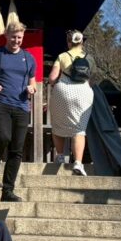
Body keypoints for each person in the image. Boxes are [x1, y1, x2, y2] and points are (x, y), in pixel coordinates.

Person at [0, 21, 37, 202]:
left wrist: (32, 88)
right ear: (6, 36)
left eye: (19, 38)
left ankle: (8, 191)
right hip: (1, 103)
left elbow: (33, 81)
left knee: (16, 150)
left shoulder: (29, 58)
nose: (16, 41)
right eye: (13, 37)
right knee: (3, 136)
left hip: (21, 106)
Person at [48, 29, 95, 176]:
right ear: (82, 42)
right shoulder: (90, 58)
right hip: (83, 93)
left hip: (63, 92)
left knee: (57, 125)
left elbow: (52, 78)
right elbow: (92, 81)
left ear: (69, 42)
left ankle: (60, 156)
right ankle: (78, 163)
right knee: (79, 129)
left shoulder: (62, 56)